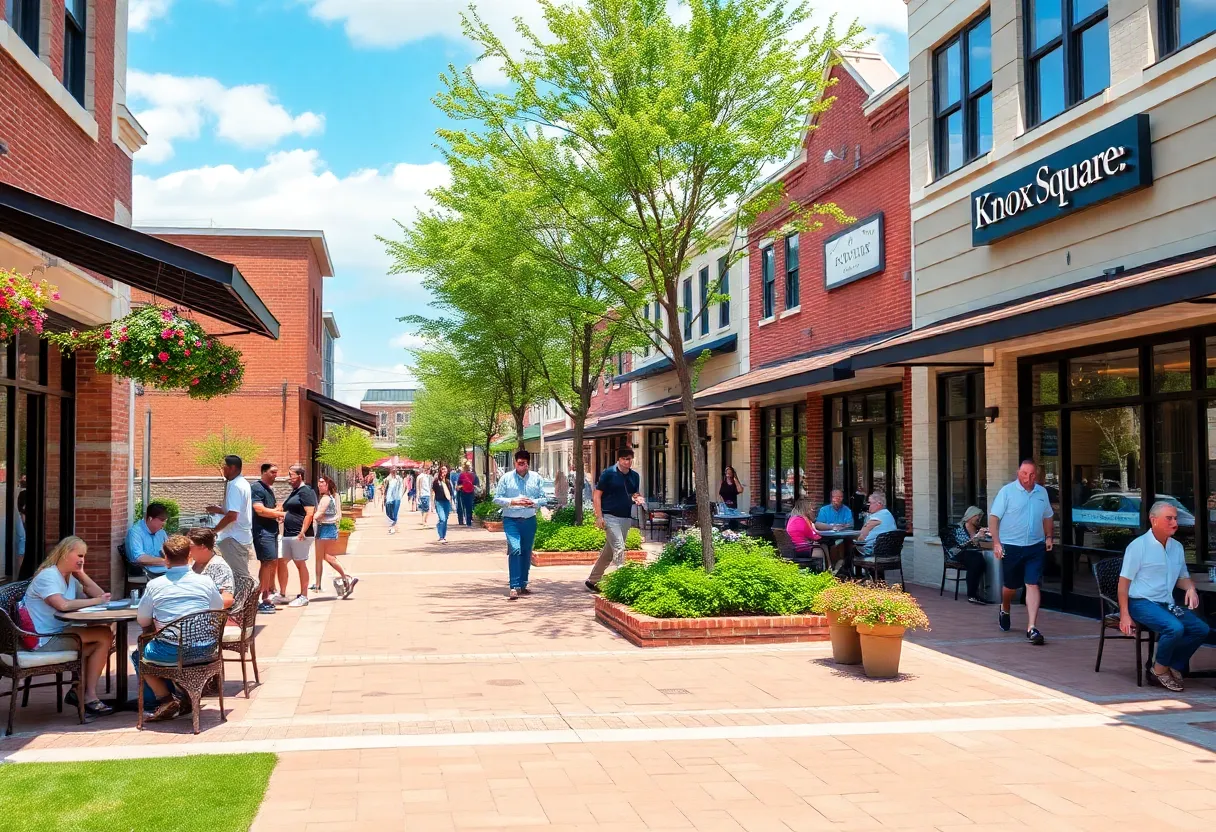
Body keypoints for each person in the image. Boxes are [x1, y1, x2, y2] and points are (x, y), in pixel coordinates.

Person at [1119, 501, 1209, 691]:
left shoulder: (1176, 547)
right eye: (1169, 518)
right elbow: (1124, 582)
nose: (1174, 522)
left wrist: (1190, 588)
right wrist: (1124, 614)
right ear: (1154, 520)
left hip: (1165, 603)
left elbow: (1182, 577)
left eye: (1175, 518)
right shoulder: (1138, 546)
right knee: (1174, 628)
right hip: (1141, 602)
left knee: (1201, 629)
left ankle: (1173, 666)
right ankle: (1158, 671)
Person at [134, 535, 224, 721]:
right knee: (160, 649)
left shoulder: (154, 585)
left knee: (140, 654)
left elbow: (143, 621)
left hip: (173, 651)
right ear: (190, 556)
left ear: (166, 558)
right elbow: (218, 609)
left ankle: (165, 699)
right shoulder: (206, 582)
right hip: (206, 649)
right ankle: (183, 694)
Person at [22, 537, 114, 717]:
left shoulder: (69, 577)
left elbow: (101, 595)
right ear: (65, 553)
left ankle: (79, 692)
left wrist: (81, 574)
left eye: (84, 556)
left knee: (102, 636)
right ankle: (86, 695)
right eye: (79, 555)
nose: (82, 559)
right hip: (43, 639)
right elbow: (62, 605)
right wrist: (96, 601)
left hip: (58, 632)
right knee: (103, 636)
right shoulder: (49, 576)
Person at [989, 458, 1054, 646]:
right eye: (1025, 473)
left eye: (1032, 474)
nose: (1028, 477)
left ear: (1037, 475)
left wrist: (1049, 537)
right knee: (1010, 586)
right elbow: (994, 518)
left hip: (1035, 546)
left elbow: (1048, 516)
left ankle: (1032, 628)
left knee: (1032, 584)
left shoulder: (1042, 493)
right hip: (1011, 546)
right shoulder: (1007, 492)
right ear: (1019, 473)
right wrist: (996, 543)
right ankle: (1005, 607)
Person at [586, 447, 647, 592]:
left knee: (608, 552)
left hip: (625, 517)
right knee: (619, 547)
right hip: (609, 516)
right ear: (619, 460)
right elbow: (597, 495)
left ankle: (592, 580)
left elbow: (633, 493)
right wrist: (599, 516)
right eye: (625, 459)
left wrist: (638, 498)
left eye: (630, 459)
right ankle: (623, 582)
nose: (628, 462)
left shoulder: (634, 476)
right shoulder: (608, 474)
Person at [493, 449, 548, 600]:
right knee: (515, 549)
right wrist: (512, 501)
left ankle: (523, 584)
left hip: (529, 520)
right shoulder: (506, 478)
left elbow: (544, 499)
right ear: (514, 463)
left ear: (528, 463)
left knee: (526, 551)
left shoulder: (536, 478)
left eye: (524, 464)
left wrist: (533, 502)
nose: (522, 467)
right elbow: (496, 499)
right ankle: (513, 586)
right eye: (519, 463)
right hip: (511, 520)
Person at [206, 455, 254, 585]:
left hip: (234, 538)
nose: (222, 469)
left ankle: (249, 602)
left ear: (232, 468)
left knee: (240, 576)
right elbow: (235, 510)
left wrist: (214, 530)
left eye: (224, 467)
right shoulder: (242, 483)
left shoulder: (235, 486)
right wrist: (219, 509)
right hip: (240, 536)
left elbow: (233, 515)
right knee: (239, 574)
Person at [250, 463, 286, 615]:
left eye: (276, 473)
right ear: (263, 472)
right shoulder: (257, 488)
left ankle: (262, 594)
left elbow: (271, 509)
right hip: (262, 532)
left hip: (271, 531)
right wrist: (279, 513)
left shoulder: (269, 489)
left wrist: (276, 512)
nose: (275, 475)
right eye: (272, 472)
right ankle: (263, 598)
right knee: (267, 563)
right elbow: (259, 510)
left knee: (269, 563)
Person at [314, 475, 357, 599]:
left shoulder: (326, 499)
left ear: (328, 485)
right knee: (320, 557)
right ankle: (318, 585)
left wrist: (309, 517)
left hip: (327, 529)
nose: (319, 485)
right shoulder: (327, 497)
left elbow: (319, 514)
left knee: (327, 556)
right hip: (324, 529)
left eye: (322, 483)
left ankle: (347, 577)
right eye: (319, 483)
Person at [280, 464, 316, 607]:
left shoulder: (305, 491)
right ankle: (282, 594)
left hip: (300, 534)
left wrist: (302, 531)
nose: (289, 478)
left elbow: (310, 513)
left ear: (299, 476)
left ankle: (304, 595)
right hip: (288, 533)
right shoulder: (294, 492)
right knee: (282, 561)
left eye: (291, 475)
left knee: (299, 563)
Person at [945, 506, 990, 605]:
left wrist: (984, 536)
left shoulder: (978, 529)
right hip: (958, 553)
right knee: (977, 560)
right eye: (977, 517)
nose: (979, 519)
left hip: (972, 554)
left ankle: (981, 593)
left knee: (980, 560)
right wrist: (975, 538)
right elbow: (961, 546)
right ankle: (972, 595)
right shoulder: (959, 528)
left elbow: (978, 545)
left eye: (980, 517)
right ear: (970, 516)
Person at [184, 527, 235, 610]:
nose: (186, 548)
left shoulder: (219, 567)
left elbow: (227, 599)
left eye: (189, 546)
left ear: (203, 547)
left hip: (206, 615)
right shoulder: (193, 561)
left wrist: (197, 606)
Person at [125, 502, 170, 577]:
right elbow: (139, 558)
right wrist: (166, 561)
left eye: (165, 520)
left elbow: (168, 552)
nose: (164, 523)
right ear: (150, 518)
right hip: (144, 571)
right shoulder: (135, 533)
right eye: (162, 520)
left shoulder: (161, 532)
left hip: (162, 569)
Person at [854, 491, 898, 556]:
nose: (868, 505)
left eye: (870, 503)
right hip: (889, 552)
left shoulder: (876, 517)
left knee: (844, 546)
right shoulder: (888, 514)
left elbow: (862, 535)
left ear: (879, 504)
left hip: (873, 551)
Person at [433, 463, 455, 543]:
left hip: (446, 502)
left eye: (445, 469)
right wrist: (432, 504)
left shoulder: (448, 482)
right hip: (439, 502)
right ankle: (441, 536)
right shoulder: (436, 482)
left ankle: (443, 536)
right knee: (442, 518)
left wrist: (452, 503)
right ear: (440, 471)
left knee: (445, 519)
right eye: (442, 469)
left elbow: (451, 494)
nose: (444, 471)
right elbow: (433, 492)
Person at [383, 468, 403, 534]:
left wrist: (401, 495)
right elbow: (384, 489)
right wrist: (384, 499)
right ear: (390, 471)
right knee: (389, 513)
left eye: (395, 471)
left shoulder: (399, 479)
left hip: (397, 498)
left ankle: (392, 528)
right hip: (389, 499)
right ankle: (393, 527)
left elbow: (402, 487)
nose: (394, 472)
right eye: (392, 471)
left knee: (395, 513)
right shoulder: (387, 479)